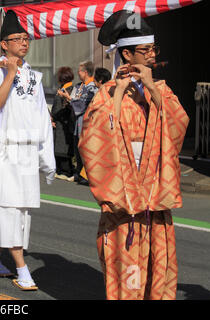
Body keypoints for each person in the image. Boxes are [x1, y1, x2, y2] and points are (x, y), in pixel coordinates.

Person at [78, 10, 189, 300]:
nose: (152, 55)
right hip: (124, 199)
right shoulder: (106, 94)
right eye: (145, 50)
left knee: (158, 268)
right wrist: (116, 96)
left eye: (154, 48)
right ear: (126, 55)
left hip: (155, 194)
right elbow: (95, 138)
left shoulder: (162, 91)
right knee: (127, 272)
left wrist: (151, 88)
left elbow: (178, 128)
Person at [0, 10, 56, 291]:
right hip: (3, 153)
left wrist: (47, 158)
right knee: (8, 210)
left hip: (27, 152)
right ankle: (22, 268)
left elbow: (42, 118)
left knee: (21, 213)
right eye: (16, 38)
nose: (23, 42)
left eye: (26, 38)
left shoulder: (34, 76)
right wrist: (9, 73)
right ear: (3, 44)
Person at [64, 61, 98, 185]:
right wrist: (70, 100)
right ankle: (78, 173)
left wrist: (70, 99)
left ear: (85, 72)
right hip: (77, 121)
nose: (78, 73)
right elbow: (75, 101)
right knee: (77, 148)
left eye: (79, 71)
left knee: (86, 149)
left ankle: (87, 175)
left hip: (86, 121)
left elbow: (82, 104)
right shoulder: (79, 86)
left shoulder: (93, 87)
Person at [51, 67, 75, 182]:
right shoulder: (63, 88)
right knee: (58, 146)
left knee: (64, 147)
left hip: (64, 122)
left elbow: (66, 107)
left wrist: (55, 116)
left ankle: (66, 170)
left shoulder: (70, 89)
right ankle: (60, 169)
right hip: (58, 122)